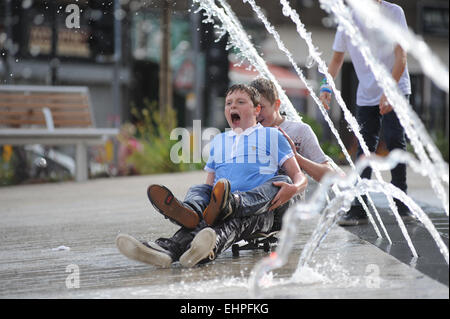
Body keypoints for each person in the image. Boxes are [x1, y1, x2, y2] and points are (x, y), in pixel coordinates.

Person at [116, 84, 307, 268]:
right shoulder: (219, 141)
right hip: (225, 204)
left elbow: (299, 176)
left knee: (282, 181)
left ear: (257, 110)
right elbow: (211, 188)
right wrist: (206, 208)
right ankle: (169, 246)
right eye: (229, 103)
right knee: (200, 190)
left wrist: (294, 189)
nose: (233, 106)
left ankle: (229, 207)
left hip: (264, 211)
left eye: (240, 102)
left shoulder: (272, 135)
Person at [319, 0, 415, 225]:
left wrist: (389, 90)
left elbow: (401, 56)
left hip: (396, 87)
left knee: (394, 141)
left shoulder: (394, 12)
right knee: (364, 149)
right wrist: (325, 85)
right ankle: (358, 207)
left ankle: (402, 205)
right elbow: (336, 59)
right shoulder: (347, 19)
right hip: (367, 95)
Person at [250, 77, 334, 183]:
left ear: (276, 105)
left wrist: (296, 158)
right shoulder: (248, 133)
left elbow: (330, 177)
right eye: (252, 108)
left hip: (290, 196)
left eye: (261, 107)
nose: (256, 114)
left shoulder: (299, 131)